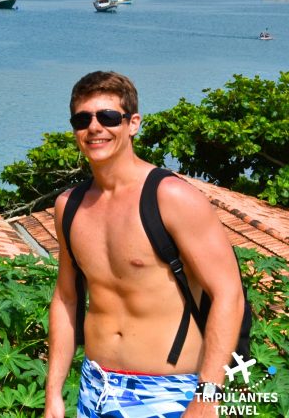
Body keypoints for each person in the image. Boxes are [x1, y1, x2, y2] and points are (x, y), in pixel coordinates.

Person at [45, 72, 244, 418]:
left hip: (167, 394)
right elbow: (66, 297)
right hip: (94, 389)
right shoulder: (70, 206)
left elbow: (230, 294)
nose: (94, 127)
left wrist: (208, 397)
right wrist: (54, 394)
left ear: (132, 123)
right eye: (83, 119)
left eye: (108, 117)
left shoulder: (172, 198)